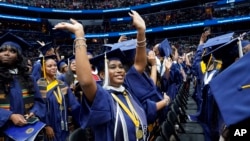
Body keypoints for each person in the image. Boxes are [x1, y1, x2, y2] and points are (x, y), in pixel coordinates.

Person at [53, 10, 153, 140]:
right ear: (101, 74)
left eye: (121, 67)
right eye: (112, 67)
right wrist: (79, 35)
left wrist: (141, 31)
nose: (119, 70)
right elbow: (86, 82)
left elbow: (140, 64)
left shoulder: (126, 88)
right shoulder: (103, 96)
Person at [0, 32, 45, 140]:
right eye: (2, 50)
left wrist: (33, 112)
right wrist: (9, 116)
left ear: (19, 56)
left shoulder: (29, 78)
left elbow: (39, 102)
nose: (6, 53)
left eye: (12, 51)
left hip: (25, 131)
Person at [36, 55, 80, 141]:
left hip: (63, 125)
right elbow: (39, 107)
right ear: (43, 68)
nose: (53, 68)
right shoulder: (40, 85)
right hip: (49, 126)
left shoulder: (62, 84)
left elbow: (74, 104)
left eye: (55, 65)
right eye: (49, 66)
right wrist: (46, 126)